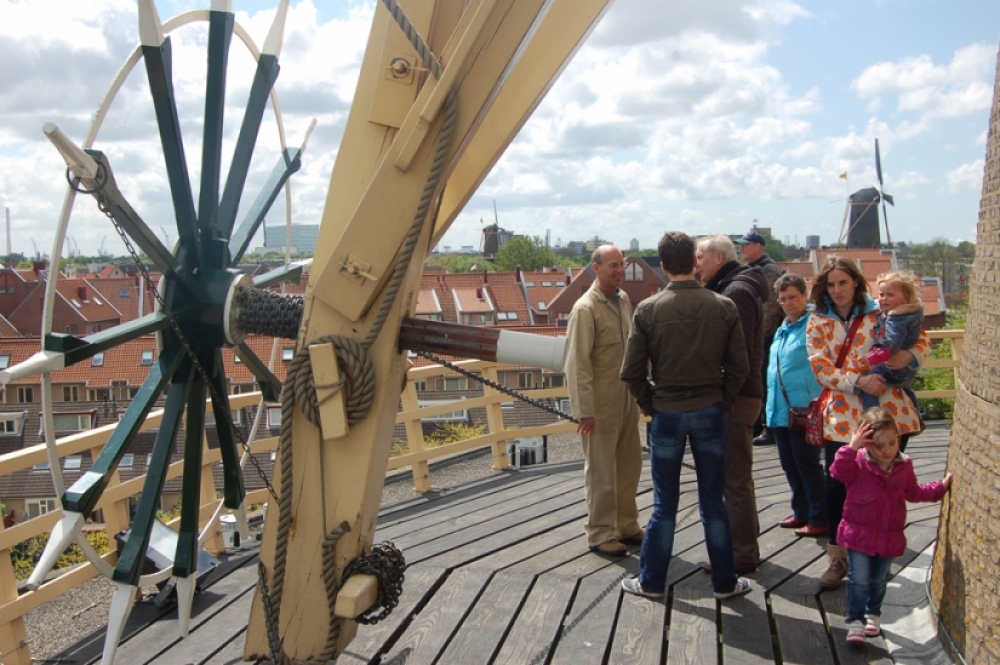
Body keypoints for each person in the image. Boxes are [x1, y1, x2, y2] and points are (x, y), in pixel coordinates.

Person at [619, 231, 752, 600]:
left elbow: (630, 371)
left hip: (667, 413)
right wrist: (721, 401)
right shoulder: (723, 306)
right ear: (694, 263)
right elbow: (739, 367)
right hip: (710, 410)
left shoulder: (647, 309)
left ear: (662, 266)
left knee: (665, 505)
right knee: (713, 502)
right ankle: (725, 583)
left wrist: (651, 403)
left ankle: (651, 581)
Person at [807, 256, 930, 588]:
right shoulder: (818, 320)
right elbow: (820, 367)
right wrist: (858, 383)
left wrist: (907, 358)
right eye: (831, 284)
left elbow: (921, 339)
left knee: (883, 485)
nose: (837, 290)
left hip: (887, 412)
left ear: (856, 283)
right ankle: (838, 556)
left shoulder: (881, 310)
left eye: (843, 282)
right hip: (843, 416)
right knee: (837, 484)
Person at [830, 408, 952, 644]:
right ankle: (855, 621)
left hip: (889, 536)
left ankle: (873, 614)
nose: (887, 450)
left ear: (898, 437)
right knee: (859, 579)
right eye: (878, 445)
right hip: (859, 536)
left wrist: (940, 487)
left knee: (878, 580)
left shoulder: (904, 466)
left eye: (892, 442)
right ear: (866, 444)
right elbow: (837, 471)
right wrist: (852, 446)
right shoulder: (857, 462)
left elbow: (914, 492)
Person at [695, 234, 769, 573]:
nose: (697, 265)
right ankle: (746, 541)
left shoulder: (735, 292)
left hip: (737, 396)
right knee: (739, 474)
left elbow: (734, 351)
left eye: (700, 258)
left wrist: (724, 395)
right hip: (746, 392)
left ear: (719, 258)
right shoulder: (739, 285)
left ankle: (741, 553)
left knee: (733, 477)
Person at [565, 244, 644, 557]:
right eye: (612, 265)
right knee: (600, 470)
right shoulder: (585, 309)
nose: (619, 270)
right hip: (600, 403)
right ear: (595, 268)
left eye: (620, 264)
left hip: (626, 398)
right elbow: (577, 363)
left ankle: (626, 524)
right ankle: (600, 532)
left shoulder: (623, 299)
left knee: (629, 465)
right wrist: (584, 411)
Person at [766, 274, 828, 537]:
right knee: (790, 464)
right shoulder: (782, 328)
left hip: (804, 407)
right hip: (781, 409)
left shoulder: (814, 325)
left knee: (808, 464)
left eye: (793, 297)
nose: (788, 303)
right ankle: (801, 510)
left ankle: (820, 516)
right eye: (783, 299)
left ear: (805, 296)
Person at [735, 230, 785, 446]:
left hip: (766, 338)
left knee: (765, 381)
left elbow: (771, 310)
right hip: (758, 337)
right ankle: (758, 424)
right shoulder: (751, 269)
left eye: (746, 245)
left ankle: (769, 427)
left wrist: (757, 338)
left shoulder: (768, 271)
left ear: (758, 247)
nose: (742, 248)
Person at [860, 271, 924, 412]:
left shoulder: (897, 318)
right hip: (904, 370)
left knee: (867, 381)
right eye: (881, 294)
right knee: (906, 388)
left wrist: (871, 357)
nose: (883, 299)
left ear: (905, 299)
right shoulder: (910, 313)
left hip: (892, 365)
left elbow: (891, 343)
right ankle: (917, 412)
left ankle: (873, 414)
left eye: (890, 295)